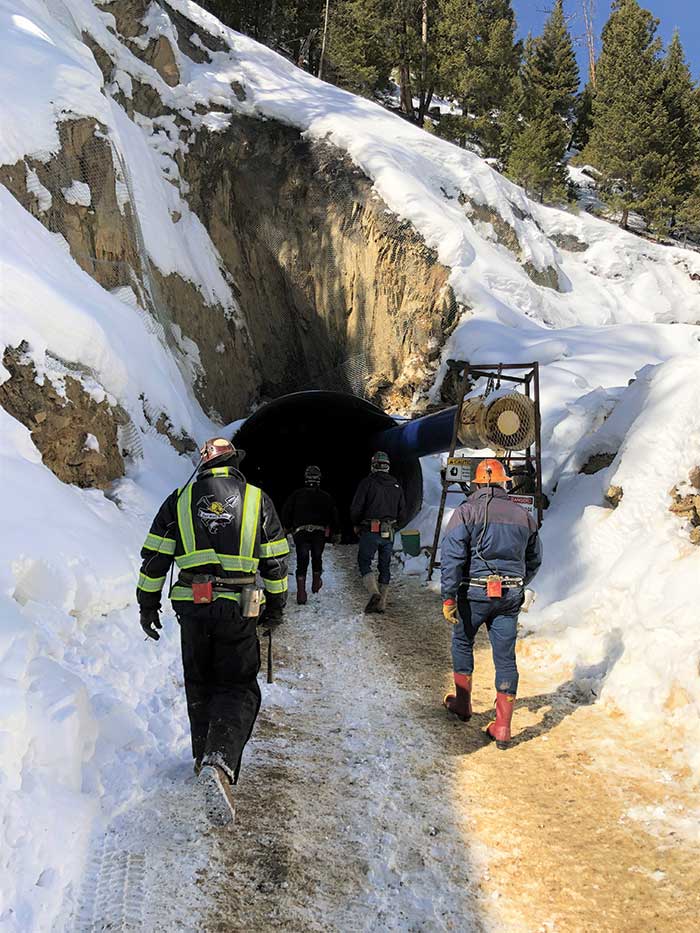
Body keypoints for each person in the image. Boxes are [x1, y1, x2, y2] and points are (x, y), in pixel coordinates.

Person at [136, 437, 289, 824]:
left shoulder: (180, 499)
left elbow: (154, 559)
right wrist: (276, 608)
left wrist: (147, 605)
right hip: (238, 608)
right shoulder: (256, 499)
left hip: (193, 607)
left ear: (202, 465)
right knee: (237, 685)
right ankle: (218, 762)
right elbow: (275, 562)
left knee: (199, 682)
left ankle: (201, 756)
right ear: (234, 462)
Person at [440, 458, 542, 747]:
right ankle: (503, 727)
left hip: (473, 593)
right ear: (503, 483)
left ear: (477, 483)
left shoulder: (466, 512)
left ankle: (462, 705)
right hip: (509, 595)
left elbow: (452, 558)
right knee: (505, 657)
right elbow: (534, 559)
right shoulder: (523, 516)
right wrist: (518, 583)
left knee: (462, 642)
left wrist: (449, 596)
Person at [350, 451, 407, 614]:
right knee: (385, 565)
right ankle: (382, 603)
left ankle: (374, 592)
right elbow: (403, 512)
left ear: (373, 465)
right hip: (389, 531)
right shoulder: (396, 485)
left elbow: (356, 507)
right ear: (388, 466)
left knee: (364, 561)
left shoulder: (367, 483)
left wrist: (356, 523)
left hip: (370, 529)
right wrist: (395, 525)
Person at [281, 465, 340, 604]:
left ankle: (301, 593)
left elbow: (286, 511)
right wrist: (336, 532)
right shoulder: (326, 497)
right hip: (319, 532)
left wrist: (287, 527)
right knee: (317, 556)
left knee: (302, 560)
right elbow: (334, 515)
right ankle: (315, 582)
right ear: (319, 479)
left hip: (300, 532)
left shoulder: (296, 495)